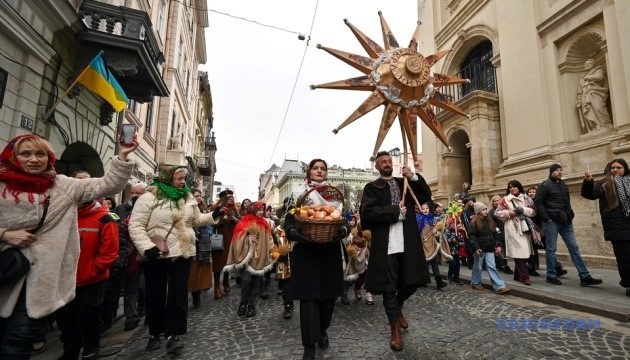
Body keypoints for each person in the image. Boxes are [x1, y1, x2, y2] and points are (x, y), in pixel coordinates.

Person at [0, 133, 137, 358]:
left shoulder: (62, 185)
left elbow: (107, 184)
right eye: (26, 154)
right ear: (13, 156)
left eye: (40, 154)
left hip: (41, 281)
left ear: (49, 157)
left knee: (17, 344)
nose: (34, 159)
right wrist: (5, 234)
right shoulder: (2, 184)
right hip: (4, 274)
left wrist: (122, 156)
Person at [128, 165, 219, 353]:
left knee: (178, 293)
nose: (183, 181)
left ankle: (173, 335)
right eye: (179, 178)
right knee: (155, 294)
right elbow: (136, 225)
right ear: (167, 178)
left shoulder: (187, 198)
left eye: (184, 178)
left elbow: (196, 220)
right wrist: (147, 248)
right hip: (157, 253)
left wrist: (214, 215)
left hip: (181, 251)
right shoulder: (149, 197)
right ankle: (154, 333)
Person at [359, 151, 431, 351]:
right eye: (383, 161)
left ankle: (397, 306)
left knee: (414, 281)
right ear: (377, 166)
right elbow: (367, 213)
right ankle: (394, 329)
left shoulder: (403, 183)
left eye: (390, 161)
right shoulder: (372, 187)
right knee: (390, 287)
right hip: (387, 244)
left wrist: (413, 177)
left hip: (408, 241)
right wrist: (395, 212)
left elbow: (425, 196)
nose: (387, 164)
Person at [284, 158, 350, 360]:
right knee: (308, 300)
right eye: (315, 168)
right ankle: (308, 346)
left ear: (326, 173)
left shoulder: (334, 196)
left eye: (323, 169)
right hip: (306, 252)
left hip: (329, 251)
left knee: (328, 299)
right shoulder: (298, 194)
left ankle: (322, 330)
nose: (319, 171)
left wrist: (344, 231)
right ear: (309, 172)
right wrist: (294, 233)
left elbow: (345, 220)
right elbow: (288, 222)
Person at [55, 192, 119, 359]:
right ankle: (70, 350)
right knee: (66, 319)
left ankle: (92, 346)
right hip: (65, 279)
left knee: (89, 315)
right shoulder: (60, 216)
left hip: (93, 279)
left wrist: (93, 268)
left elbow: (110, 251)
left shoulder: (105, 218)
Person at [535, 164, 602, 286]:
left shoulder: (564, 185)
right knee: (551, 249)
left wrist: (570, 214)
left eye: (561, 170)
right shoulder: (544, 185)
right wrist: (546, 219)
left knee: (574, 248)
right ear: (551, 172)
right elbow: (538, 203)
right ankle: (551, 275)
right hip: (552, 221)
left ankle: (584, 276)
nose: (559, 172)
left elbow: (567, 202)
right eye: (556, 170)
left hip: (566, 221)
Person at [581, 159, 630, 296]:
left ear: (625, 169)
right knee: (624, 258)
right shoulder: (604, 183)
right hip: (616, 227)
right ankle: (628, 284)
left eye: (619, 167)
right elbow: (590, 194)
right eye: (613, 167)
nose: (615, 170)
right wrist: (588, 182)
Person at [222, 201, 275, 318]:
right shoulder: (244, 221)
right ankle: (243, 302)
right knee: (247, 280)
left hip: (258, 257)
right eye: (259, 209)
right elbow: (237, 238)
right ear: (253, 210)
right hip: (245, 258)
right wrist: (248, 238)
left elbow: (269, 239)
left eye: (263, 210)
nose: (261, 212)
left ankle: (251, 305)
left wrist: (273, 250)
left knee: (256, 282)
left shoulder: (265, 224)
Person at [116, 184, 146, 331]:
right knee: (130, 286)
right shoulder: (121, 209)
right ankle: (131, 316)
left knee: (142, 286)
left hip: (144, 253)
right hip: (125, 253)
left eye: (139, 193)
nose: (135, 195)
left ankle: (142, 309)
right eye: (133, 192)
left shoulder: (149, 209)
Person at [495, 180, 536, 285]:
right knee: (518, 252)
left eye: (514, 187)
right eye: (510, 187)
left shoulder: (526, 198)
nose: (512, 189)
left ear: (519, 187)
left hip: (524, 227)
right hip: (512, 227)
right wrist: (509, 213)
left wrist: (522, 210)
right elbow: (497, 213)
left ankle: (517, 275)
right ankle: (525, 277)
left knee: (525, 252)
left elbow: (533, 211)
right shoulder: (505, 200)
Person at [467, 202, 510, 294]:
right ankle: (475, 282)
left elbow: (495, 234)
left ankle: (499, 286)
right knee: (478, 267)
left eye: (486, 209)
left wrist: (498, 244)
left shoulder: (490, 221)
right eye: (483, 209)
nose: (485, 211)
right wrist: (476, 248)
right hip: (480, 249)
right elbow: (472, 237)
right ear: (478, 211)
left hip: (490, 248)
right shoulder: (474, 222)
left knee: (491, 266)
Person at [211, 190, 239, 299]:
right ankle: (217, 287)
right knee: (218, 264)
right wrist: (223, 217)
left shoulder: (234, 210)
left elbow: (241, 221)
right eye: (228, 197)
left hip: (231, 239)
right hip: (220, 239)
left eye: (231, 197)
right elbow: (213, 223)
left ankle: (226, 282)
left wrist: (234, 218)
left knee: (228, 262)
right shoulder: (217, 209)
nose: (230, 198)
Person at [189, 189, 213, 307]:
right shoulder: (188, 208)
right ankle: (192, 290)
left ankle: (197, 292)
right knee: (192, 268)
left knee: (200, 267)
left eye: (199, 196)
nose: (198, 198)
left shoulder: (203, 209)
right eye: (196, 196)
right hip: (192, 240)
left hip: (203, 240)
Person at [416, 203, 448, 290]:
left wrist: (436, 232)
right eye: (423, 208)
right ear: (420, 210)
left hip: (432, 244)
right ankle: (422, 280)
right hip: (423, 244)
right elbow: (417, 233)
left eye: (427, 208)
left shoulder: (433, 219)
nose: (425, 210)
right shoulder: (418, 219)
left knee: (434, 263)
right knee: (424, 264)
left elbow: (439, 233)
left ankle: (439, 282)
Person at [576, 58, 611, 133]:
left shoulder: (598, 70)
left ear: (593, 65)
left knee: (598, 107)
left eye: (589, 63)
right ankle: (595, 127)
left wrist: (589, 77)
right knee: (588, 111)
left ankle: (605, 124)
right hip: (585, 95)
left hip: (596, 93)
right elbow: (580, 90)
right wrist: (579, 99)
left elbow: (599, 77)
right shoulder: (582, 77)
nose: (587, 65)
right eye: (586, 64)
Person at [490, 195, 513, 275]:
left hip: (505, 231)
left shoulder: (504, 210)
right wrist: (497, 230)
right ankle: (503, 265)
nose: (496, 202)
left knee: (505, 249)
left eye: (498, 200)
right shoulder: (491, 211)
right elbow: (491, 223)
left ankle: (503, 264)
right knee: (500, 250)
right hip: (497, 233)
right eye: (494, 201)